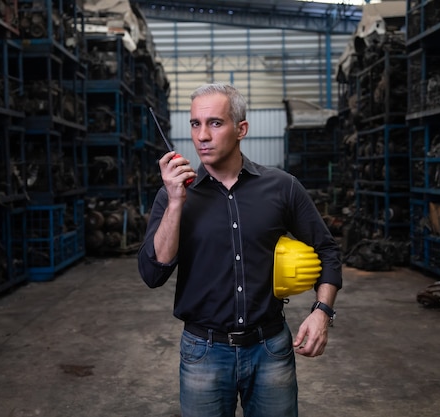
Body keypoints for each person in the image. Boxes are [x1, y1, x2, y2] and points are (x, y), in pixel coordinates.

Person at [138, 83, 342, 417]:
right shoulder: (174, 195)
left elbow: (327, 249)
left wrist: (322, 312)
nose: (202, 135)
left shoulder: (282, 187)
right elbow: (152, 273)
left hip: (270, 349)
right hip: (203, 353)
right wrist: (175, 202)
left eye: (215, 123)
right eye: (195, 124)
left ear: (241, 129)